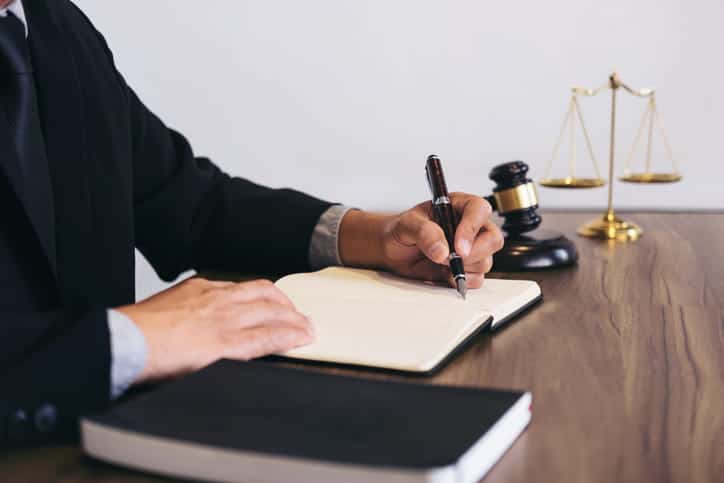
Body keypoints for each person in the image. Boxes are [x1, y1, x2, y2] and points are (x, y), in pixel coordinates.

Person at [0, 0, 503, 448]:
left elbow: (185, 203)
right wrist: (127, 341)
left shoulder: (53, 24)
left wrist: (378, 237)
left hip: (106, 439)